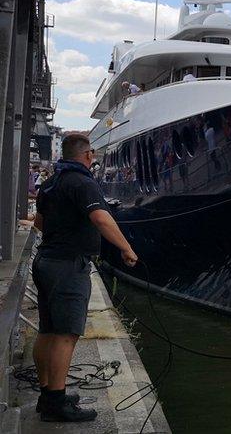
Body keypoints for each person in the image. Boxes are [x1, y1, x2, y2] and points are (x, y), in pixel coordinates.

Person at [32, 134, 138, 422]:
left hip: (46, 261)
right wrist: (126, 249)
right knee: (67, 334)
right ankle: (56, 403)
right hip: (68, 266)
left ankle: (47, 393)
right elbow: (102, 218)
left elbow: (40, 223)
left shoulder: (51, 183)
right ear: (89, 155)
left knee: (47, 330)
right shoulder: (83, 182)